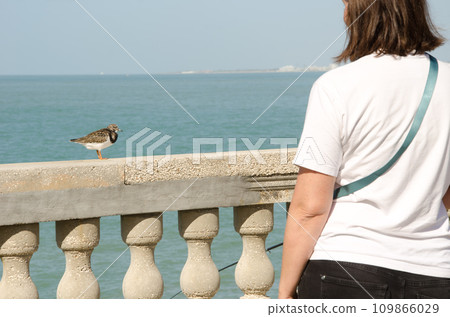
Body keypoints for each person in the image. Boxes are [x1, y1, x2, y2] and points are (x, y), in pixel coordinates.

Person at [279, 0, 450, 299]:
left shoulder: (334, 86)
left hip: (345, 268)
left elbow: (310, 208)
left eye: (346, 3)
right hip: (435, 272)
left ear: (361, 13)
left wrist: (284, 294)